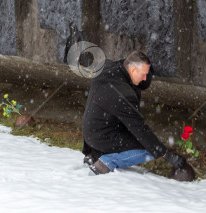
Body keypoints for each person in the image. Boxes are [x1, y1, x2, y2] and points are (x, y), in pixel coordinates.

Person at [81, 50, 195, 181]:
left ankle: (93, 154)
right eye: (144, 75)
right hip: (102, 137)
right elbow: (139, 130)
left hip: (90, 133)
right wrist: (167, 154)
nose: (145, 79)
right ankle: (106, 161)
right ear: (133, 69)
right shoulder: (123, 94)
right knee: (150, 148)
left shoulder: (109, 68)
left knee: (148, 143)